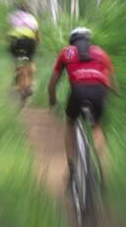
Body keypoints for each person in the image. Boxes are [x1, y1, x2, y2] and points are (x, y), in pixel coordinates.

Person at [48, 27, 118, 178]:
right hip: (99, 92)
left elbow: (53, 82)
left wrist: (52, 100)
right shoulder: (101, 53)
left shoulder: (66, 52)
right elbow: (113, 84)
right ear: (89, 40)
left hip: (77, 92)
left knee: (69, 123)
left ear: (72, 41)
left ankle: (72, 167)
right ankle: (102, 169)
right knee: (97, 127)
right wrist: (112, 95)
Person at [7, 3, 40, 96]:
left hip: (16, 41)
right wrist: (36, 45)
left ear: (18, 10)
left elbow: (10, 29)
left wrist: (9, 45)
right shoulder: (32, 18)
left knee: (17, 61)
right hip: (30, 41)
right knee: (30, 61)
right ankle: (30, 84)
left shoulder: (13, 16)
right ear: (29, 11)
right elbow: (37, 35)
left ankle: (17, 78)